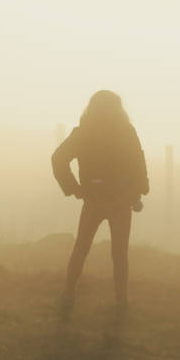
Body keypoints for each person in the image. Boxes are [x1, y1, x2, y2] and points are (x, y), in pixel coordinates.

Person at [52, 90, 149, 318]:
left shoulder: (83, 133)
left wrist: (74, 189)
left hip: (93, 199)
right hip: (121, 201)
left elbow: (58, 159)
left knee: (81, 248)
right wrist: (137, 192)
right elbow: (139, 161)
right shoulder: (126, 132)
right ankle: (121, 303)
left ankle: (68, 295)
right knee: (119, 253)